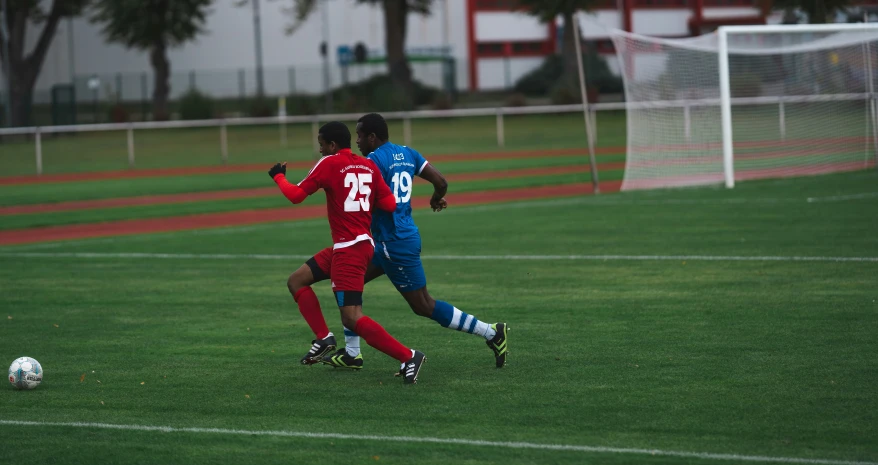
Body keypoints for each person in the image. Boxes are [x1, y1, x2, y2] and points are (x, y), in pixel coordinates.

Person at [318, 113, 508, 372]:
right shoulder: (408, 153)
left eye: (361, 136)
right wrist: (435, 198)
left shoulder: (372, 161)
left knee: (423, 305)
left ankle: (491, 332)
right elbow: (441, 182)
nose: (358, 141)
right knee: (349, 286)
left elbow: (365, 198)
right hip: (388, 240)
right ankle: (352, 353)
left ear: (372, 137)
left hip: (393, 242)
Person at [270, 121, 426, 384]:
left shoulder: (329, 163)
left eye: (321, 145)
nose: (320, 150)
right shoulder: (368, 165)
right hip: (359, 245)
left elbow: (296, 196)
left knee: (352, 318)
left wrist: (278, 176)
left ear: (332, 145)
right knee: (297, 280)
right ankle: (324, 338)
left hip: (348, 251)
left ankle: (408, 355)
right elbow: (389, 203)